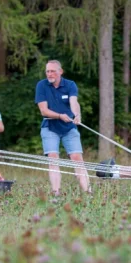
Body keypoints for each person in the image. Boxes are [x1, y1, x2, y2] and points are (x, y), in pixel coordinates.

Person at [35, 60, 90, 195]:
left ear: (60, 71)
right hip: (50, 127)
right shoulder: (41, 85)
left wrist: (77, 115)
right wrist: (59, 116)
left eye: (53, 71)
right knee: (53, 157)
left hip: (69, 128)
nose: (50, 74)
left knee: (77, 158)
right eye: (47, 71)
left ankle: (88, 193)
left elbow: (74, 102)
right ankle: (56, 193)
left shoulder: (70, 85)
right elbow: (44, 110)